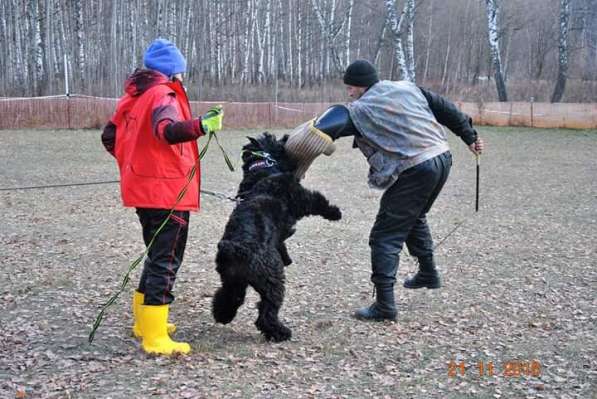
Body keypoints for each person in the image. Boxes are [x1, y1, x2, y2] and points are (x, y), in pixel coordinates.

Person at [312, 59, 484, 321]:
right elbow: (446, 109)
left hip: (417, 167)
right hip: (442, 158)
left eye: (350, 87)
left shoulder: (362, 108)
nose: (348, 92)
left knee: (384, 236)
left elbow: (329, 124)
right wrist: (469, 136)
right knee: (414, 217)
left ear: (360, 86)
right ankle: (428, 273)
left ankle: (384, 306)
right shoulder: (407, 88)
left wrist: (297, 142)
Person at [101, 38, 223, 354]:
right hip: (166, 192)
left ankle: (146, 323)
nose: (183, 76)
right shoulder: (163, 95)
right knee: (166, 260)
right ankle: (155, 338)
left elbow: (109, 136)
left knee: (156, 255)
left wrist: (133, 163)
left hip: (144, 189)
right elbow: (167, 131)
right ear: (172, 72)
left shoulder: (134, 96)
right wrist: (201, 125)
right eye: (180, 71)